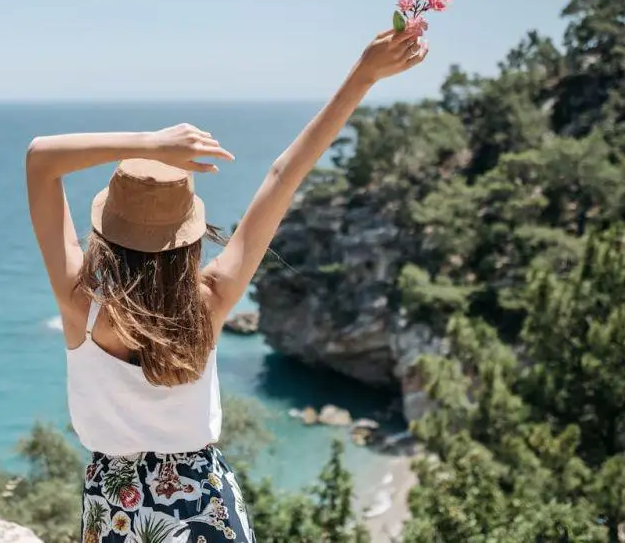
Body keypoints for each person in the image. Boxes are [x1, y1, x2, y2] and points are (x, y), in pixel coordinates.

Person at [25, 28, 428, 542]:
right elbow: (284, 174)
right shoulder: (210, 302)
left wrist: (151, 144)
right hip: (204, 503)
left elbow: (41, 158)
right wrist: (365, 75)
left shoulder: (81, 307)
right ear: (190, 238)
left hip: (116, 510)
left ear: (107, 235)